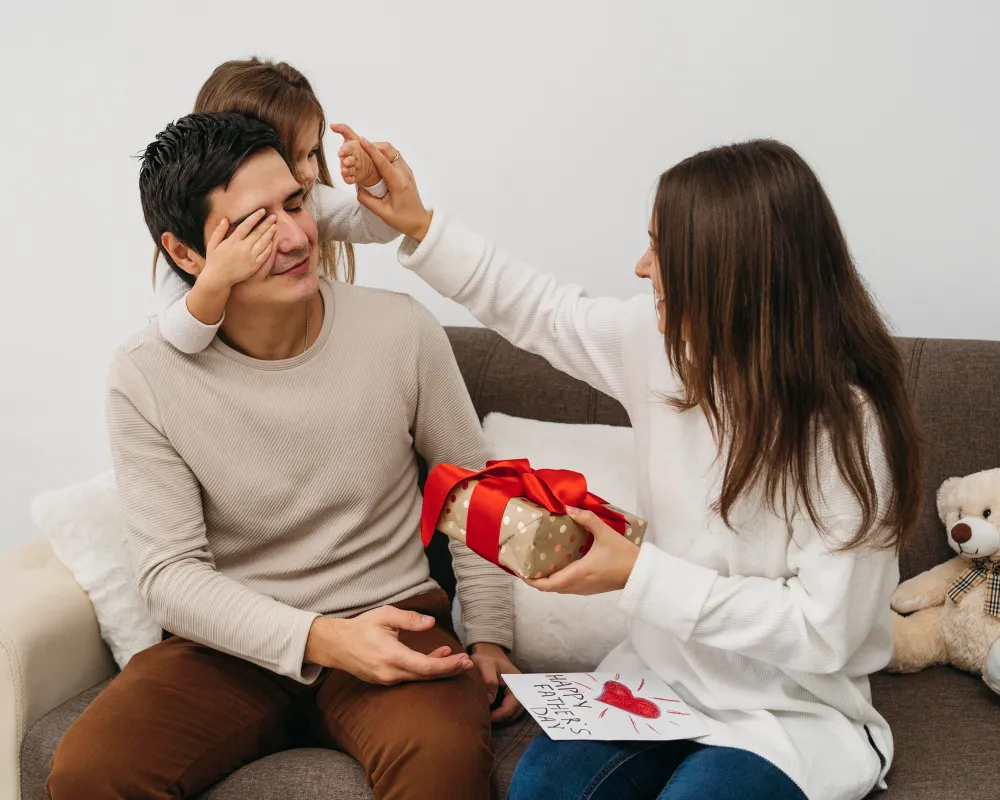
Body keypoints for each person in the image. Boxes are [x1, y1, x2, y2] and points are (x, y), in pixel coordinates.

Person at [347, 135, 924, 800]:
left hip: (789, 710)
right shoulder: (659, 346)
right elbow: (540, 310)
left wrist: (638, 574)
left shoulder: (848, 427)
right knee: (541, 789)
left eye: (661, 249)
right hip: (658, 680)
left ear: (728, 273)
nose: (642, 268)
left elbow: (825, 631)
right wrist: (421, 225)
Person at [46, 113, 520, 800]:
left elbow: (471, 488)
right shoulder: (145, 372)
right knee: (90, 770)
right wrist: (321, 638)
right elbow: (170, 573)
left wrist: (491, 638)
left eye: (295, 205)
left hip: (393, 618)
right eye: (254, 226)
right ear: (185, 254)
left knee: (441, 760)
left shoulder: (400, 330)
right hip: (228, 646)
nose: (296, 238)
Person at [155, 57, 401, 355]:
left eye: (311, 153)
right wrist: (214, 279)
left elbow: (385, 225)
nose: (307, 173)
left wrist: (374, 180)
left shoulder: (312, 199)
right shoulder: (192, 238)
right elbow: (183, 337)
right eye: (289, 155)